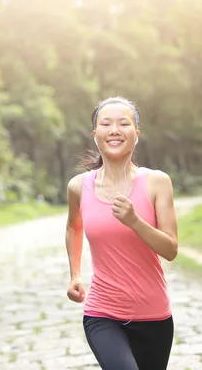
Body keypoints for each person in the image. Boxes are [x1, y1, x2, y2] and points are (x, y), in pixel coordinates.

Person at [65, 96, 178, 370]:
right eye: (106, 124)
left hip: (154, 314)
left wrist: (135, 221)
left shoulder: (157, 183)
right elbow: (73, 226)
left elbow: (170, 249)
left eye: (123, 124)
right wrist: (75, 274)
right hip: (102, 312)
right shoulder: (79, 187)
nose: (114, 129)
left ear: (136, 135)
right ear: (96, 135)